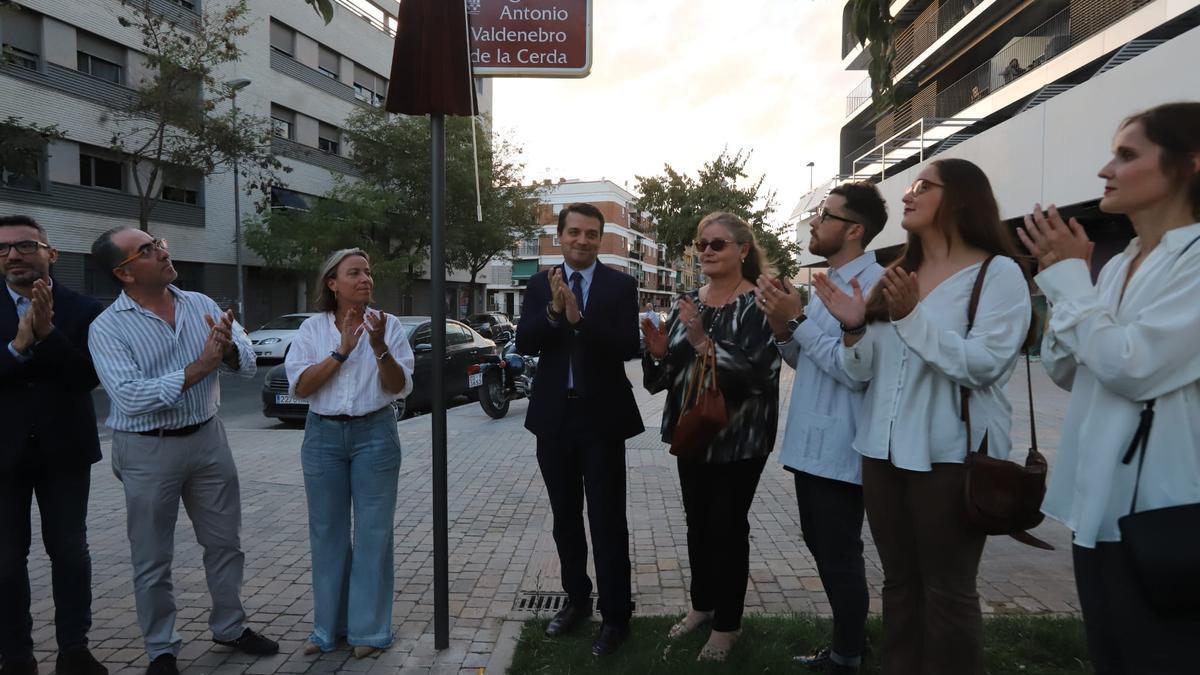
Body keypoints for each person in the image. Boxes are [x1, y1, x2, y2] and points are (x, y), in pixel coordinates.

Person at [814, 158, 1031, 675]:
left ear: (960, 199)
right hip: (882, 453)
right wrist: (853, 329)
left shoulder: (996, 275)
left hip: (949, 456)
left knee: (948, 591)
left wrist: (912, 318)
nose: (907, 196)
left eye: (922, 186)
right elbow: (865, 371)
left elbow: (982, 366)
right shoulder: (899, 273)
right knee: (898, 583)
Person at [1017, 102, 1200, 673]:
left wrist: (1071, 283)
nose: (1105, 171)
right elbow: (1071, 371)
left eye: (1126, 155)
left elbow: (1133, 365)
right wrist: (1068, 285)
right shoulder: (1119, 264)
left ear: (1189, 165)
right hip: (1097, 511)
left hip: (1170, 517)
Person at [87, 227, 277, 675]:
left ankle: (230, 626)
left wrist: (227, 350)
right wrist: (200, 367)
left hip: (208, 439)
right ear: (124, 272)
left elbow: (248, 362)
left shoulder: (202, 305)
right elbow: (131, 396)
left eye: (158, 243)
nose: (162, 252)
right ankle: (161, 649)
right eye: (148, 250)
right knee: (152, 556)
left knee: (225, 543)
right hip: (147, 449)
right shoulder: (107, 327)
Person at [756, 183, 887, 674]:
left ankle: (848, 656)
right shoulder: (827, 280)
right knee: (823, 549)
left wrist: (799, 323)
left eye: (825, 215)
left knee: (839, 554)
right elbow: (807, 359)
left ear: (855, 229)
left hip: (843, 446)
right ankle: (846, 647)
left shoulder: (872, 286)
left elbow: (857, 370)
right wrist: (782, 327)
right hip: (811, 445)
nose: (814, 222)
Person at [642, 212, 781, 663]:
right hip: (693, 432)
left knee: (727, 527)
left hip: (739, 438)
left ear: (743, 250)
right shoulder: (687, 301)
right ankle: (702, 607)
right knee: (697, 524)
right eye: (701, 244)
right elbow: (662, 378)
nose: (705, 251)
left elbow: (761, 374)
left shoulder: (761, 302)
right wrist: (660, 354)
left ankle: (727, 625)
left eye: (717, 244)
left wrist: (703, 344)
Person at [515, 203, 643, 657]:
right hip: (554, 418)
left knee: (607, 520)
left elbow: (630, 346)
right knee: (565, 518)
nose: (582, 241)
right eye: (574, 233)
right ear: (560, 235)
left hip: (602, 419)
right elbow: (525, 342)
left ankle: (615, 616)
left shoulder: (620, 285)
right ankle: (576, 602)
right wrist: (552, 312)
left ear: (601, 238)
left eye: (591, 234)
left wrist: (579, 322)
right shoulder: (538, 283)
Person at [284, 249, 414, 658]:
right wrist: (341, 350)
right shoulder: (311, 329)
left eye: (368, 273)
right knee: (327, 534)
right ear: (332, 283)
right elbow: (301, 387)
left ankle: (370, 631)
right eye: (354, 273)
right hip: (322, 437)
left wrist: (378, 347)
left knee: (375, 533)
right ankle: (328, 629)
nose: (365, 280)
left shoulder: (388, 326)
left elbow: (397, 386)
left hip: (375, 433)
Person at [0, 217, 106, 675]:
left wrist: (46, 335)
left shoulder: (85, 309)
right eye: (2, 249)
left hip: (65, 452)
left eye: (24, 245)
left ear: (51, 253)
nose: (12, 255)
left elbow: (87, 377)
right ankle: (16, 656)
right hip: (3, 454)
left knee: (69, 552)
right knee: (5, 560)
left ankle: (74, 649)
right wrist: (18, 345)